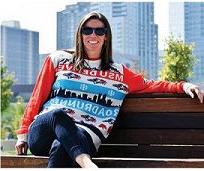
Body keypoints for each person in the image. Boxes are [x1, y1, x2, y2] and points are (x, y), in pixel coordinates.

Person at [15, 11, 204, 168]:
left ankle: (83, 160)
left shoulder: (120, 73)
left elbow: (152, 84)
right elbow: (36, 97)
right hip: (45, 130)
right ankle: (88, 165)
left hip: (84, 135)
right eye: (87, 30)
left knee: (62, 146)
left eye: (99, 31)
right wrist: (22, 135)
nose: (93, 35)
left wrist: (183, 85)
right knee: (57, 114)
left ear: (106, 36)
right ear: (80, 35)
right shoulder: (58, 60)